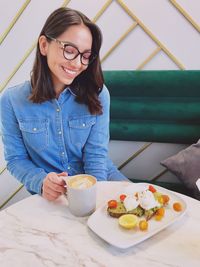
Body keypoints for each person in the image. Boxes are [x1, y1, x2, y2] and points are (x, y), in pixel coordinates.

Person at [0, 7, 127, 201]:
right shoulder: (11, 100)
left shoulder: (99, 94)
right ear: (44, 45)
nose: (77, 64)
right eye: (69, 50)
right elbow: (16, 160)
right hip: (52, 195)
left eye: (85, 56)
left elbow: (96, 157)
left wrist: (92, 200)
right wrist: (41, 181)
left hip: (100, 180)